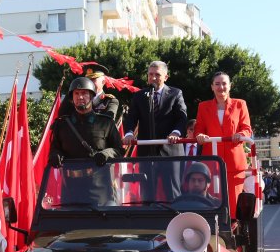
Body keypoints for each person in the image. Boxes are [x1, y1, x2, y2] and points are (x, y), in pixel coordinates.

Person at [49, 76, 123, 206]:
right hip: (71, 188)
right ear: (72, 99)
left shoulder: (105, 123)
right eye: (76, 94)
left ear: (92, 96)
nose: (80, 97)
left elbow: (119, 149)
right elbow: (55, 147)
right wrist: (56, 154)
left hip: (99, 187)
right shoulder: (62, 124)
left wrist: (106, 154)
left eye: (84, 93)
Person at [122, 60, 188, 201]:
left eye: (157, 74)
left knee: (173, 194)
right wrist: (128, 133)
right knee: (147, 195)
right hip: (147, 153)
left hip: (170, 152)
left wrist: (176, 132)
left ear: (166, 77)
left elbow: (182, 117)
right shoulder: (140, 96)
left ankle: (174, 221)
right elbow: (131, 117)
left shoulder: (176, 93)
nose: (153, 78)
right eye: (150, 74)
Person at [194, 72, 253, 220]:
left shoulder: (240, 104)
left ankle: (234, 236)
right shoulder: (203, 106)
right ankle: (214, 235)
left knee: (234, 203)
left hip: (234, 162)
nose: (221, 87)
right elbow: (199, 128)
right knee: (212, 201)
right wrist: (200, 136)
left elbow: (247, 128)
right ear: (212, 87)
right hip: (211, 162)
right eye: (217, 84)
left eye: (224, 83)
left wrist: (240, 134)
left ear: (230, 86)